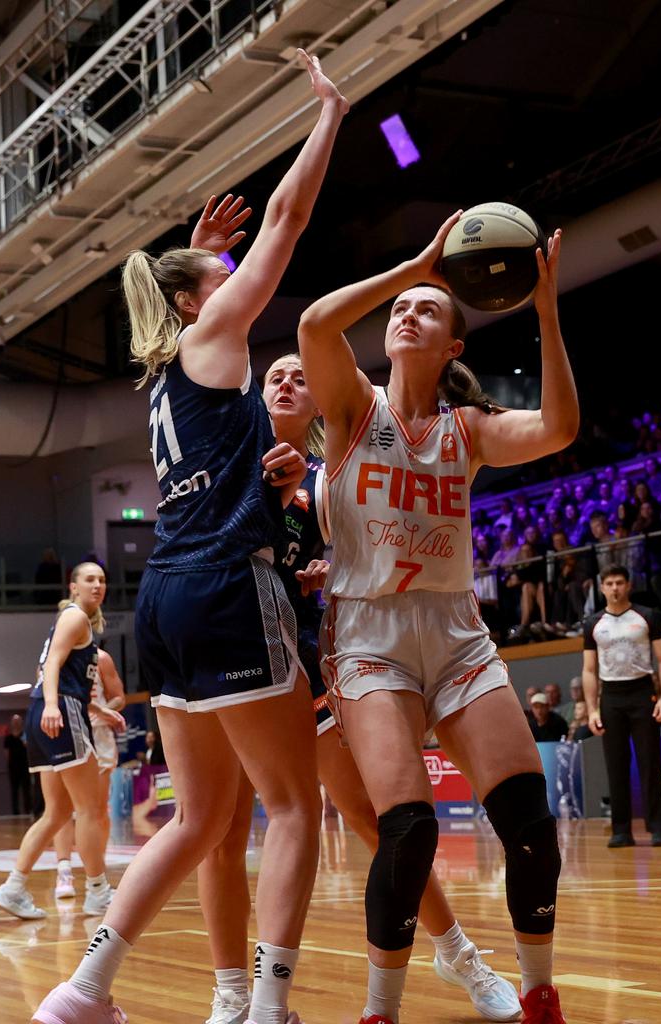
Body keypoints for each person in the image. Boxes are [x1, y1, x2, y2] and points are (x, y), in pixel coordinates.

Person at [31, 51, 348, 1024]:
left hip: (163, 597)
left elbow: (195, 281)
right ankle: (267, 1010)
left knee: (203, 816)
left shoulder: (170, 378)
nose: (238, 274)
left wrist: (187, 250)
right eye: (221, 272)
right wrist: (328, 113)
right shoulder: (214, 340)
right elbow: (289, 221)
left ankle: (83, 990)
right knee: (291, 806)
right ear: (195, 300)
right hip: (224, 585)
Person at [299, 214, 576, 1023]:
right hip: (369, 641)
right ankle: (380, 1010)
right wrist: (414, 266)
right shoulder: (353, 409)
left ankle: (539, 993)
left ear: (455, 345)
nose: (407, 312)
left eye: (427, 308)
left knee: (530, 824)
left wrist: (547, 312)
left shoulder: (470, 430)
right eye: (400, 308)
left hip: (456, 638)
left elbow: (558, 428)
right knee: (410, 828)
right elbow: (318, 322)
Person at [199, 353, 520, 1024]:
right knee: (220, 835)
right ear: (256, 397)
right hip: (219, 657)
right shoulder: (225, 456)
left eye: (300, 376)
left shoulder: (327, 482)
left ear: (322, 403)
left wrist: (324, 574)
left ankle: (458, 953)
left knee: (378, 822)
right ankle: (232, 994)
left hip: (299, 665)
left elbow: (367, 554)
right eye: (274, 377)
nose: (287, 382)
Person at [0, 564, 125, 921]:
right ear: (73, 586)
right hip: (59, 712)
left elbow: (58, 671)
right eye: (89, 580)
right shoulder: (74, 616)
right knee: (92, 809)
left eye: (102, 580)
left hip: (47, 711)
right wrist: (54, 705)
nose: (97, 585)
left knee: (57, 813)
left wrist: (98, 708)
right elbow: (49, 665)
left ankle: (13, 888)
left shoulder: (77, 625)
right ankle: (98, 891)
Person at [581, 565, 661, 849]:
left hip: (641, 692)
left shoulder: (647, 616)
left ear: (628, 585)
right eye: (609, 583)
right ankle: (621, 830)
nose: (615, 588)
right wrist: (592, 709)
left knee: (650, 762)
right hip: (611, 697)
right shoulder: (592, 623)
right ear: (602, 588)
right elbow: (588, 670)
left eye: (619, 582)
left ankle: (657, 828)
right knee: (616, 765)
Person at [53, 648, 126, 899]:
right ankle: (64, 872)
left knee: (97, 811)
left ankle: (97, 875)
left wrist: (102, 709)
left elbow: (119, 697)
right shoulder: (54, 657)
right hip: (68, 732)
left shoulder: (102, 658)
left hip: (98, 734)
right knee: (63, 809)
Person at [4, 713, 32, 816]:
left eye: (18, 721)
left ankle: (28, 811)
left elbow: (29, 748)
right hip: (13, 768)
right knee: (14, 790)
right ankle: (15, 812)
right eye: (14, 721)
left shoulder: (24, 735)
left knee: (26, 789)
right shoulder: (8, 738)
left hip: (25, 766)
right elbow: (6, 754)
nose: (16, 723)